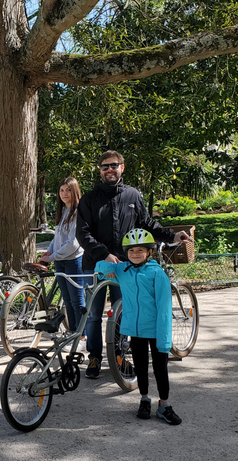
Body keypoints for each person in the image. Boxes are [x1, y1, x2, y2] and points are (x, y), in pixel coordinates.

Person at [76, 150, 190, 378]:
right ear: (99, 170)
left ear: (122, 167)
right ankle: (95, 357)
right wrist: (105, 254)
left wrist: (172, 236)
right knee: (94, 314)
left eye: (114, 165)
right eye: (105, 166)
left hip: (127, 267)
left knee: (125, 313)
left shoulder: (133, 195)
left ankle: (119, 355)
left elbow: (147, 224)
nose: (110, 169)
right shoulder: (89, 198)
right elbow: (83, 234)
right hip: (97, 265)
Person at [95, 229, 182, 425]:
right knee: (140, 366)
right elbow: (98, 266)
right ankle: (144, 399)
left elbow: (165, 308)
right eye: (131, 250)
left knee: (161, 368)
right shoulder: (123, 270)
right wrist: (106, 268)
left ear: (149, 252)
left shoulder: (157, 274)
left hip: (156, 330)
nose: (135, 254)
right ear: (126, 253)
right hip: (135, 331)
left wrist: (165, 339)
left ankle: (165, 405)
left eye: (140, 250)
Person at [39, 177, 86, 335]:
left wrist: (52, 257)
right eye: (62, 190)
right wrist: (50, 251)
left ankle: (82, 333)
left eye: (68, 190)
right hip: (60, 261)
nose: (64, 193)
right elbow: (57, 236)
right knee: (67, 300)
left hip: (74, 261)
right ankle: (72, 331)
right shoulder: (63, 211)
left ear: (75, 191)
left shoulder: (79, 212)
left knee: (77, 299)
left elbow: (73, 243)